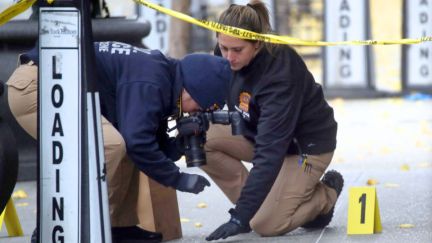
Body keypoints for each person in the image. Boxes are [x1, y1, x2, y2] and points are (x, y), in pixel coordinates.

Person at [6, 41, 231, 243]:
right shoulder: (152, 80)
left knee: (121, 140)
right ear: (190, 89)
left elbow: (149, 142)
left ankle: (118, 227)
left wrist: (179, 144)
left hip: (54, 85)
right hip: (38, 87)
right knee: (111, 144)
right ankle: (61, 223)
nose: (194, 113)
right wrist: (178, 179)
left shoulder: (164, 77)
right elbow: (137, 142)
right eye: (199, 108)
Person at [201, 1, 344, 241]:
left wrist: (240, 217)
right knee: (199, 138)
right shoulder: (228, 50)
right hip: (260, 133)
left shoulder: (279, 76)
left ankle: (324, 197)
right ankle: (262, 202)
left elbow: (269, 153)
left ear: (257, 44)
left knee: (266, 224)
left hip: (303, 149)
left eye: (237, 50)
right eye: (223, 47)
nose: (228, 57)